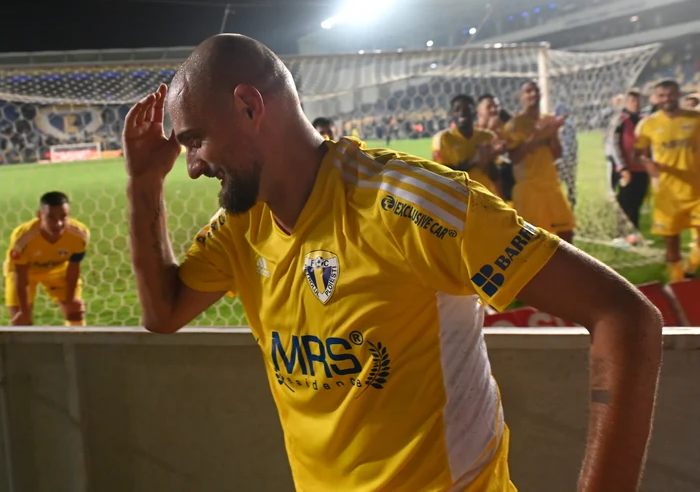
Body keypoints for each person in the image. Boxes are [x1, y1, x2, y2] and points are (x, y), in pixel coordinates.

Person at [124, 34, 661, 492]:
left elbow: (625, 316)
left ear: (249, 106)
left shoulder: (412, 205)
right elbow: (163, 312)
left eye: (195, 141)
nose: (192, 167)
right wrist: (144, 182)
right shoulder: (242, 227)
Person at [636, 79, 700, 281]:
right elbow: (637, 153)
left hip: (697, 189)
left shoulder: (696, 119)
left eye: (671, 94)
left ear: (679, 94)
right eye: (662, 96)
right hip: (667, 193)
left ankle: (690, 267)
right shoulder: (648, 124)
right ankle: (678, 282)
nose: (667, 99)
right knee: (672, 243)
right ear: (656, 98)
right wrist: (647, 163)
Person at [504, 81, 576, 243]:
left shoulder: (547, 120)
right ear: (520, 96)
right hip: (529, 190)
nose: (533, 94)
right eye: (528, 91)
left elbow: (557, 154)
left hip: (551, 186)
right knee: (532, 240)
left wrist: (554, 132)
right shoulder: (514, 125)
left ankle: (562, 268)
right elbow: (515, 158)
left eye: (536, 91)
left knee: (566, 234)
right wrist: (537, 132)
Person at [3, 191, 89, 326]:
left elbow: (74, 266)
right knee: (22, 320)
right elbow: (21, 275)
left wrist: (71, 299)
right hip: (26, 272)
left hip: (57, 270)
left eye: (64, 217)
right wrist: (24, 311)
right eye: (51, 218)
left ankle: (76, 346)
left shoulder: (79, 235)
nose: (59, 223)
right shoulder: (23, 238)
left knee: (75, 311)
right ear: (39, 216)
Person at [432, 95, 503, 196]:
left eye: (467, 109)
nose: (463, 112)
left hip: (485, 197)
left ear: (474, 113)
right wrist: (473, 161)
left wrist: (488, 161)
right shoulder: (443, 139)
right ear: (451, 114)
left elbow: (497, 176)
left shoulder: (488, 137)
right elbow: (442, 176)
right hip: (457, 198)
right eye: (457, 109)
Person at [609, 90, 649, 239]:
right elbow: (614, 144)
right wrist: (622, 167)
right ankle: (620, 235)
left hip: (643, 167)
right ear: (626, 102)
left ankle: (634, 234)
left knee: (638, 199)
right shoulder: (620, 119)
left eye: (637, 100)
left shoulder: (644, 119)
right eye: (632, 100)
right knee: (625, 201)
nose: (636, 103)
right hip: (627, 168)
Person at [476, 94, 515, 205]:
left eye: (497, 106)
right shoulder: (472, 133)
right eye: (489, 107)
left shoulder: (507, 130)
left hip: (508, 188)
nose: (494, 110)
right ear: (478, 112)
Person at [554, 104, 578, 211]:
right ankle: (570, 205)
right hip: (569, 160)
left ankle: (566, 207)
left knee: (560, 185)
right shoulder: (569, 125)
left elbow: (569, 145)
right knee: (570, 185)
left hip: (564, 160)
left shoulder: (566, 126)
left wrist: (561, 159)